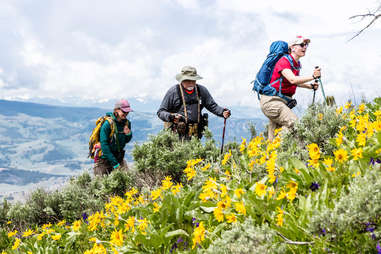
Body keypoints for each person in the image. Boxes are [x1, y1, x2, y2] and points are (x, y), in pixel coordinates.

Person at [260, 36, 321, 140]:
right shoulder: (284, 61)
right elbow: (292, 79)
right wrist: (313, 76)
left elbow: (292, 82)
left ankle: (272, 152)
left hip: (279, 102)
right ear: (293, 47)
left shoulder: (296, 64)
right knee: (295, 125)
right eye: (302, 45)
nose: (305, 47)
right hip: (272, 102)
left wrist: (309, 86)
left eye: (306, 45)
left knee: (273, 138)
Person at [157, 66, 231, 139]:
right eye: (188, 80)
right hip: (176, 136)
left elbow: (212, 105)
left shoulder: (201, 90)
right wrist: (171, 117)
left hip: (195, 135)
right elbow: (160, 112)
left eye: (193, 80)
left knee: (194, 150)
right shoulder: (173, 92)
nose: (191, 83)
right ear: (182, 80)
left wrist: (222, 112)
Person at [93, 99, 133, 176]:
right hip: (104, 160)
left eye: (127, 112)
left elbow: (126, 140)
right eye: (124, 111)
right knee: (100, 186)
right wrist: (115, 164)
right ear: (116, 110)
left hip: (118, 158)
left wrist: (128, 134)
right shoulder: (107, 124)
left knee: (126, 181)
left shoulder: (127, 123)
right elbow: (104, 146)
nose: (126, 114)